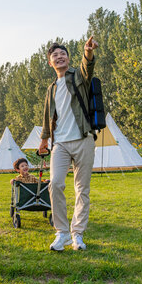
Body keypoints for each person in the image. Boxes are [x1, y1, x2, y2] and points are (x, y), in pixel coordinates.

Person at [38, 36, 99, 251]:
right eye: (55, 55)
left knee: (82, 189)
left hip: (83, 138)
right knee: (55, 184)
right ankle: (62, 232)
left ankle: (77, 234)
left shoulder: (78, 77)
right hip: (60, 143)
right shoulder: (51, 89)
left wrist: (88, 52)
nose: (59, 57)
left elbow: (87, 66)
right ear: (50, 63)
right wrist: (44, 141)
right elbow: (47, 117)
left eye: (62, 54)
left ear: (68, 58)